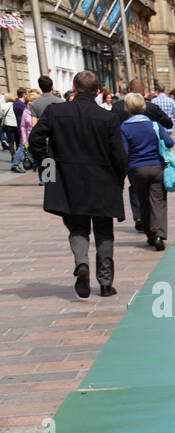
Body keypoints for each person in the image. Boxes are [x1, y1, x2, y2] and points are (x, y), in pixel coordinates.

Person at [27, 70, 129, 298]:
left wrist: (49, 166)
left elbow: (35, 139)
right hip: (103, 180)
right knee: (104, 232)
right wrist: (120, 178)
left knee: (77, 227)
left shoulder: (56, 112)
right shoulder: (108, 118)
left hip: (67, 180)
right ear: (97, 92)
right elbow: (119, 155)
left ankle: (82, 262)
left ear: (74, 88)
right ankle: (105, 283)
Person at [120, 92, 171, 251]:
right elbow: (169, 142)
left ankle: (149, 234)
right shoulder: (154, 125)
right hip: (156, 167)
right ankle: (159, 234)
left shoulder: (124, 127)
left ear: (127, 108)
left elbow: (124, 152)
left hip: (136, 170)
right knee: (158, 201)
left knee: (143, 201)